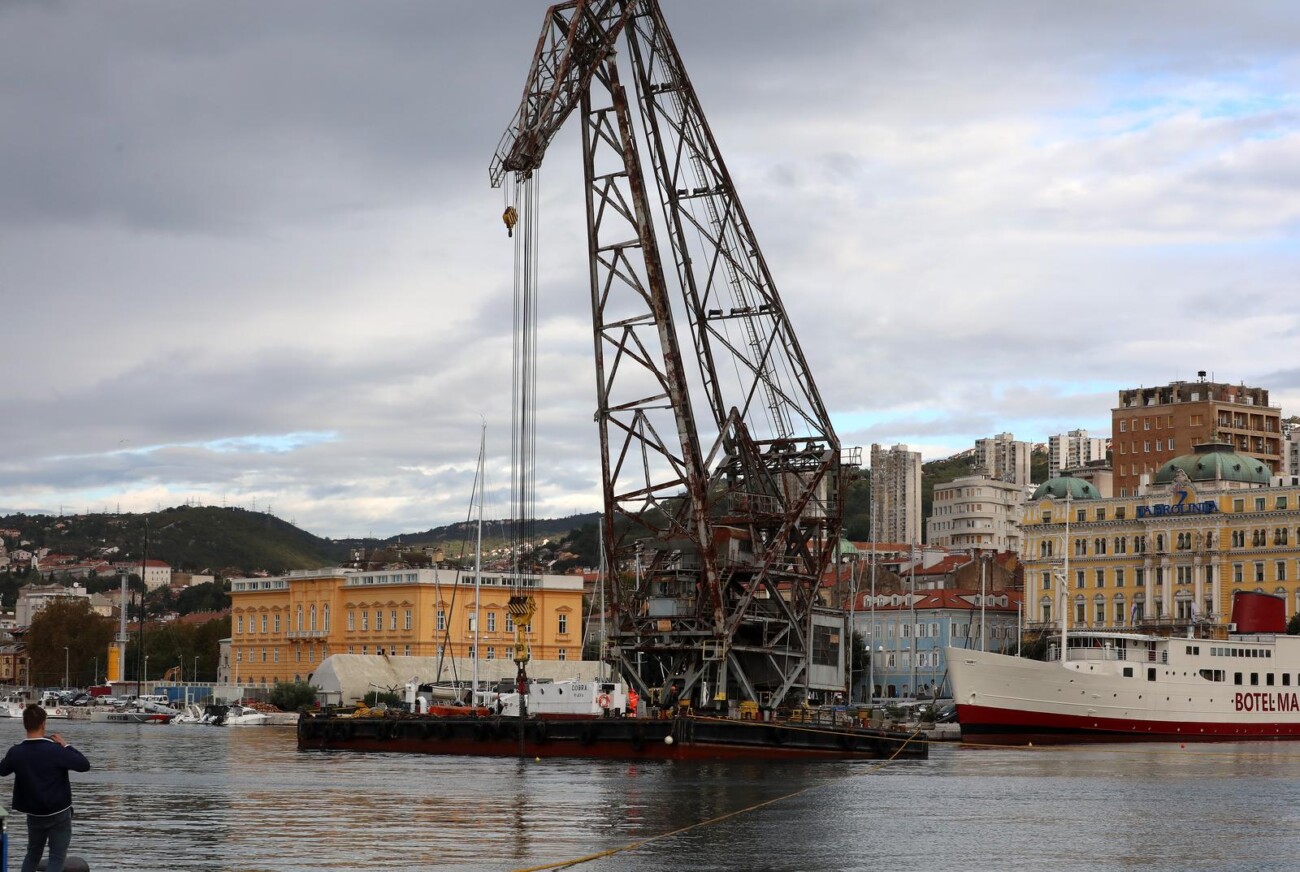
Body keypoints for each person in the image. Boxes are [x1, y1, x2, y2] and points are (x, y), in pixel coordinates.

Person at [0, 704, 91, 872]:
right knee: (56, 857)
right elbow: (84, 765)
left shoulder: (16, 752)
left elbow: (2, 770)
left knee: (33, 854)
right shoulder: (55, 750)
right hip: (59, 813)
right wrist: (66, 745)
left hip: (34, 814)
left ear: (25, 725)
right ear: (43, 724)